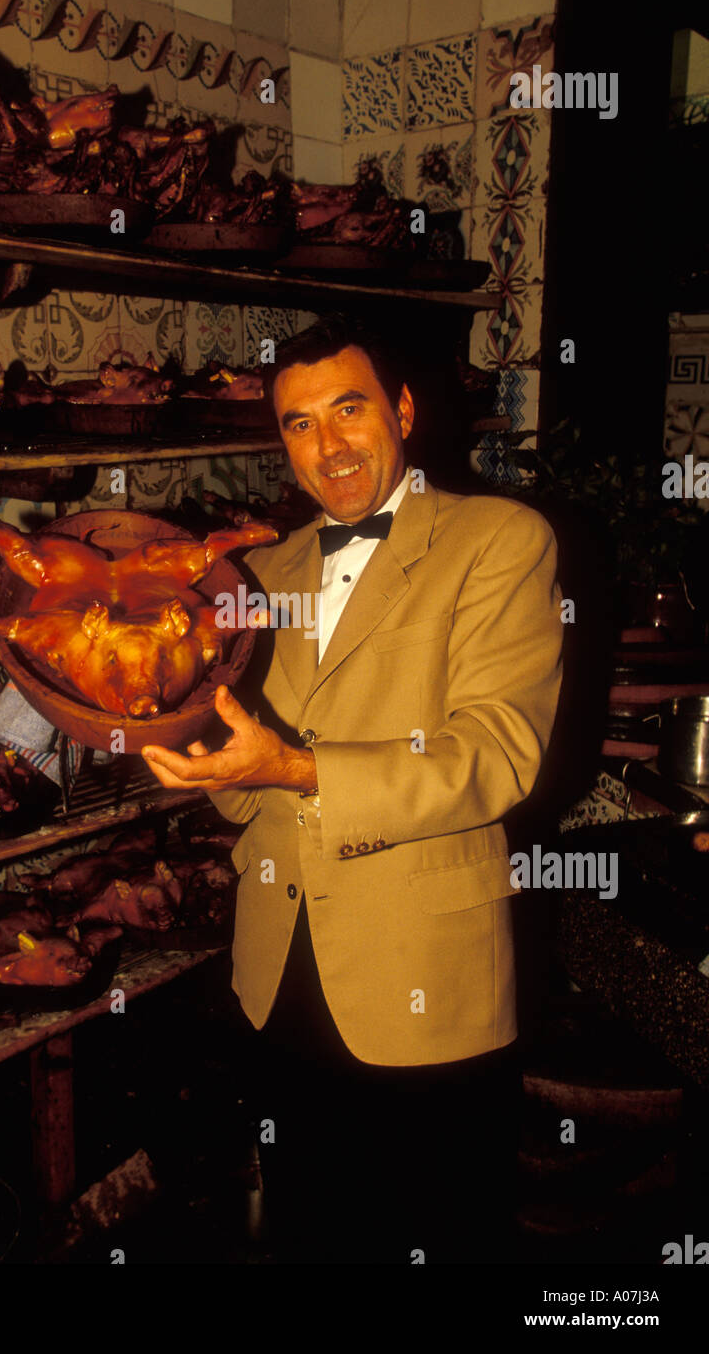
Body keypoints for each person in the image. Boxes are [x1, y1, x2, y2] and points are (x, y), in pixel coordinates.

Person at [141, 314, 564, 1264]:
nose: (326, 446)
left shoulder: (498, 539)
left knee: (434, 1235)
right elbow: (248, 786)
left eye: (348, 410)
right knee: (309, 1226)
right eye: (298, 424)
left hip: (425, 977)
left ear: (402, 410)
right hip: (277, 972)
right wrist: (182, 736)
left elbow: (495, 756)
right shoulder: (261, 574)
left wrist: (295, 767)